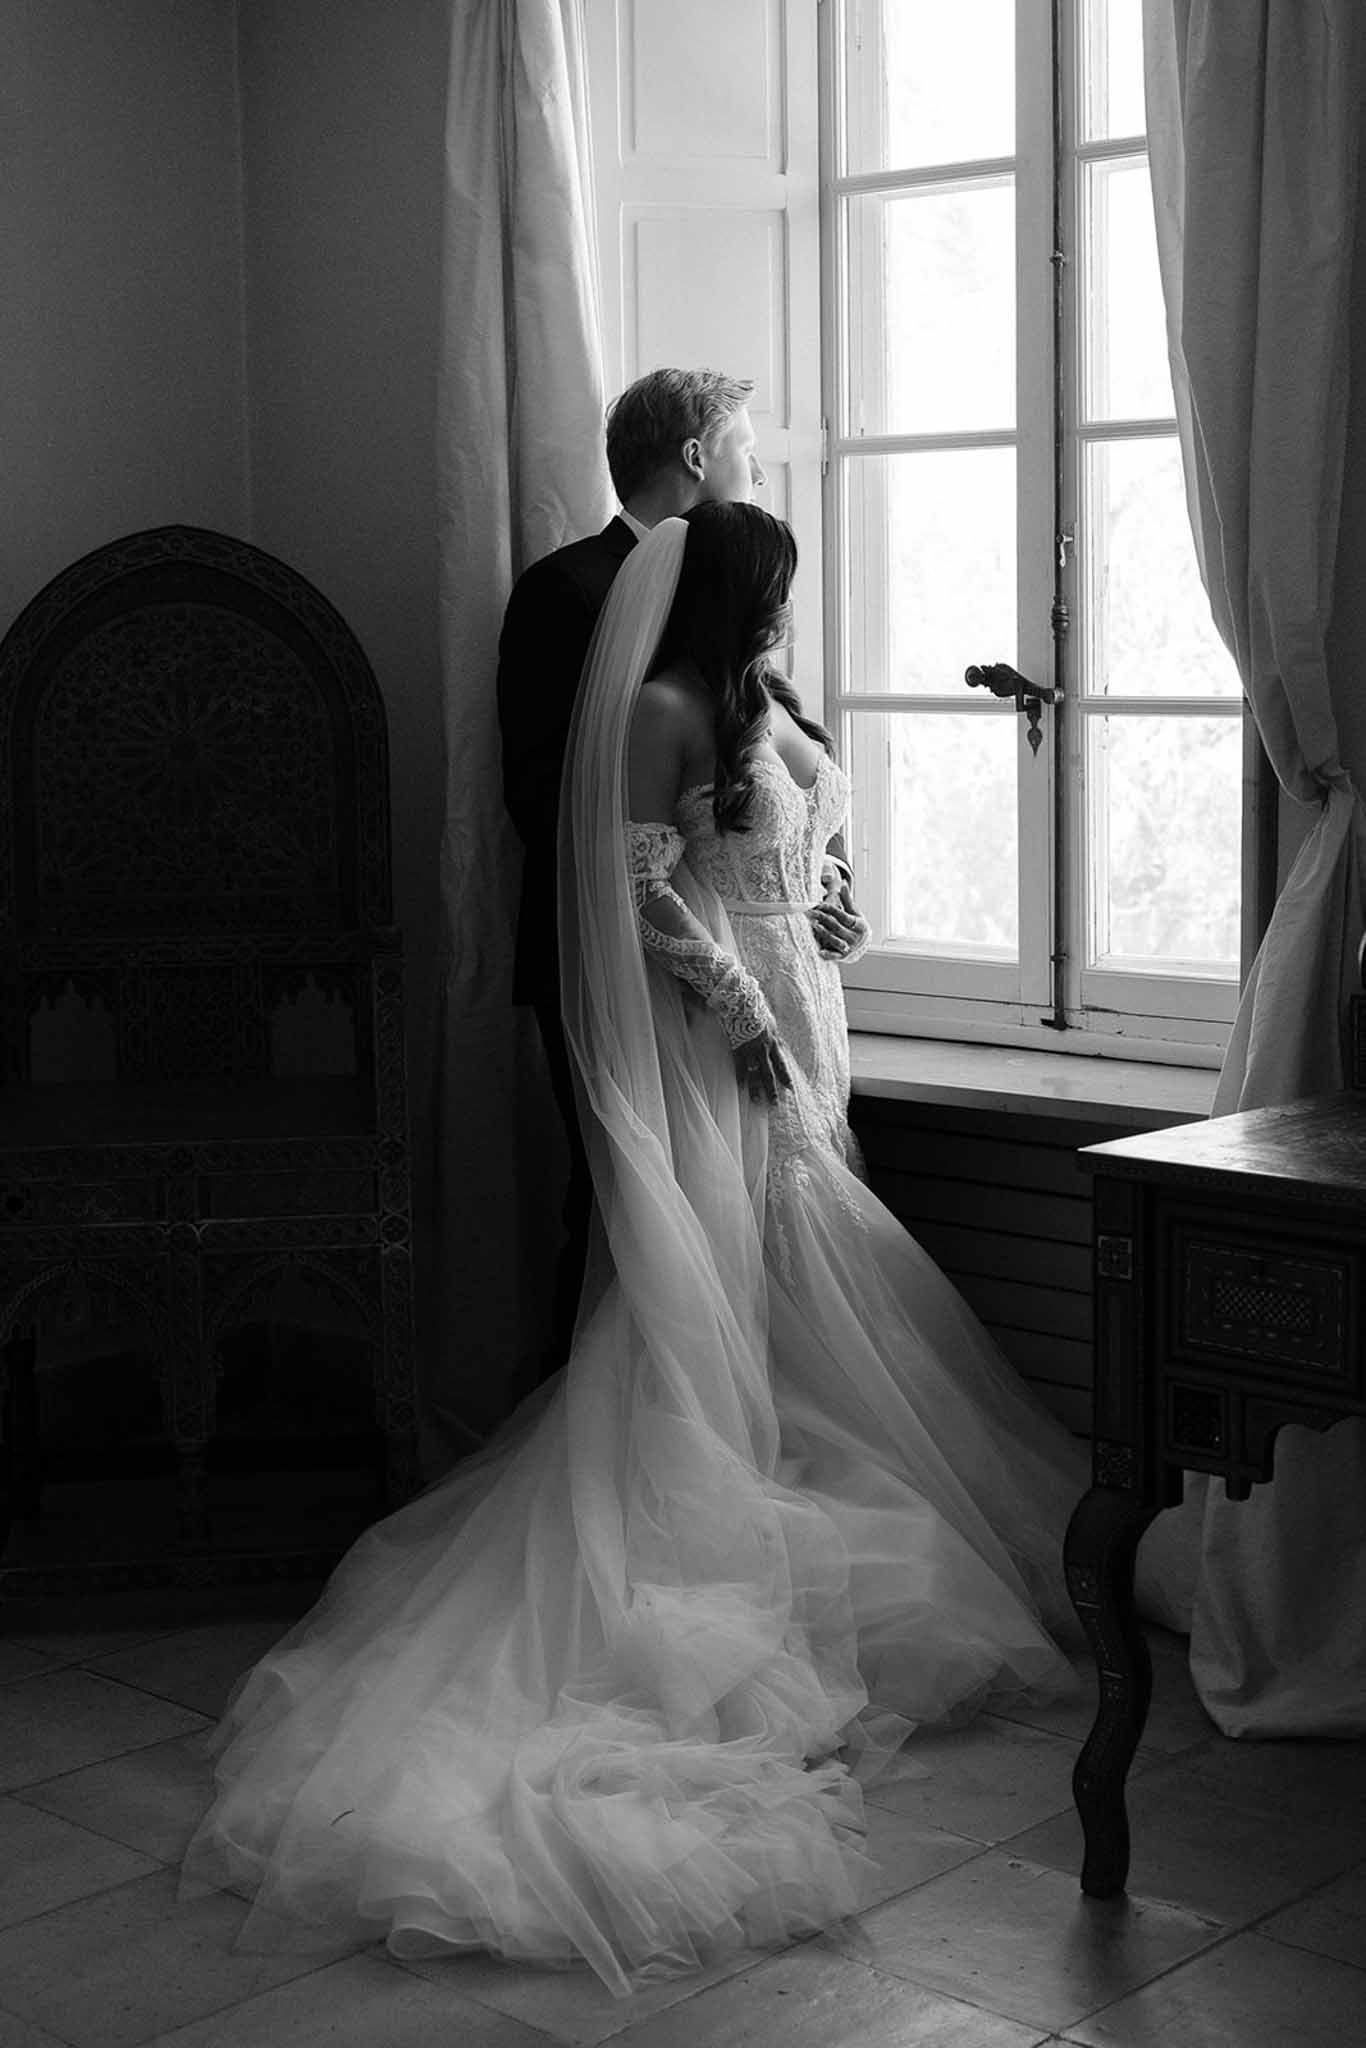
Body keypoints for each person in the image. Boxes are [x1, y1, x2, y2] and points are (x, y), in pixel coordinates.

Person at [184, 505, 1089, 1998]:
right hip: (715, 1023)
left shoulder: (766, 704)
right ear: (731, 592)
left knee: (796, 1270)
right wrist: (738, 1012)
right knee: (732, 1271)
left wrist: (832, 913)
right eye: (777, 589)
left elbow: (798, 839)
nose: (792, 611)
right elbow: (640, 880)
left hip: (798, 999)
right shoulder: (664, 706)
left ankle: (791, 1471)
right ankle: (729, 1507)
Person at [497, 368, 853, 1381]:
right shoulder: (566, 594)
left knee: (761, 1222)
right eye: (744, 445)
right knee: (631, 1215)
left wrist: (816, 881)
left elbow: (777, 760)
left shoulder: (728, 590)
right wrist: (704, 973)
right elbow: (553, 802)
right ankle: (611, 1446)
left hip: (765, 958)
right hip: (622, 965)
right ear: (697, 456)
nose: (753, 466)